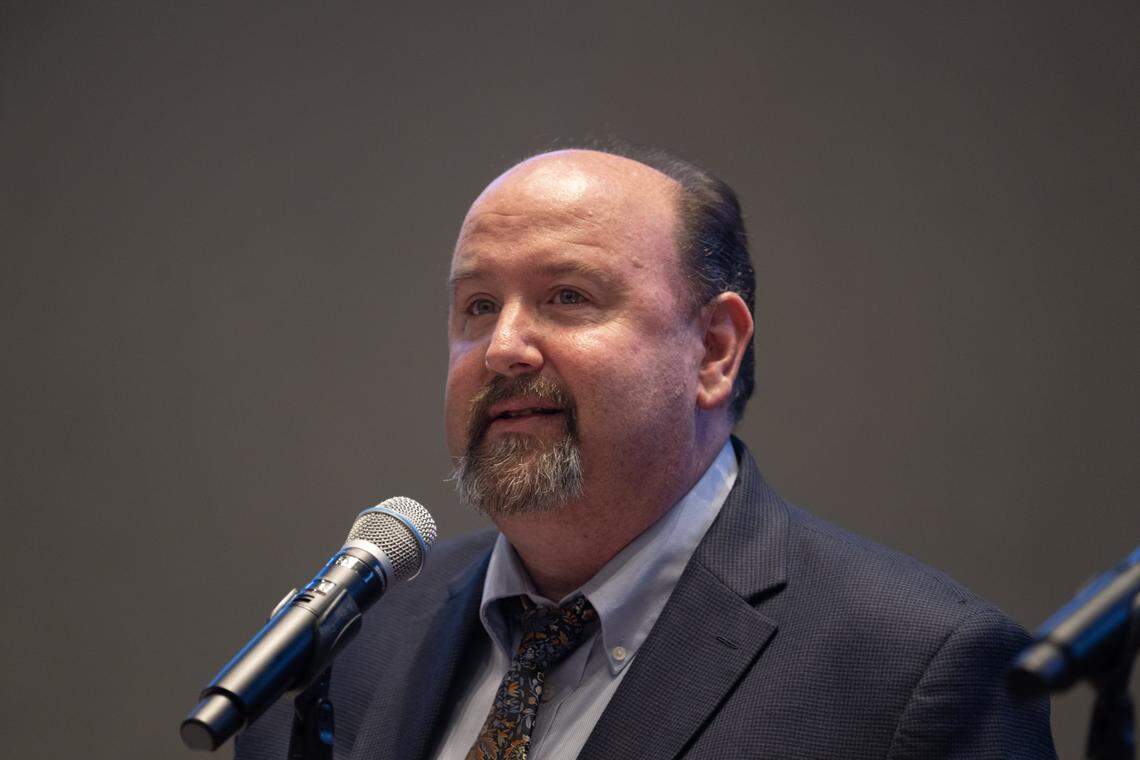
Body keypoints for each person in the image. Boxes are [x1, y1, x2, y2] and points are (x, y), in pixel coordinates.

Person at [235, 147, 1056, 759]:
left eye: (567, 296)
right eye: (478, 306)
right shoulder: (340, 648)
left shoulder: (917, 672)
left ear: (714, 350)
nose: (504, 348)